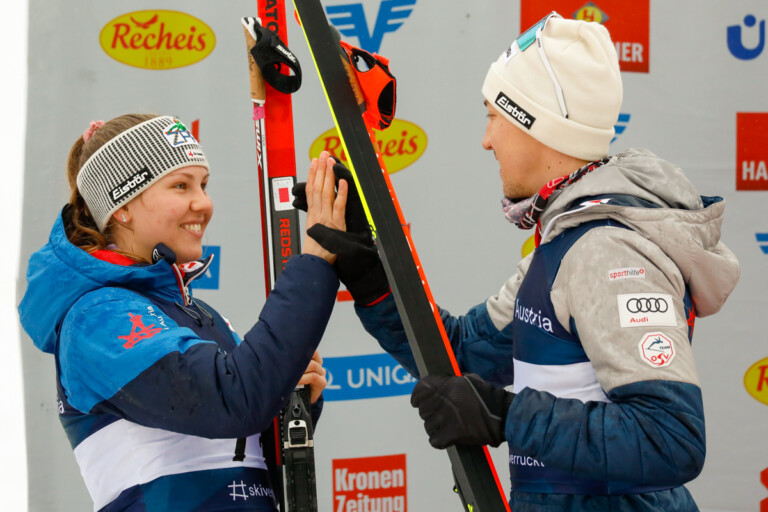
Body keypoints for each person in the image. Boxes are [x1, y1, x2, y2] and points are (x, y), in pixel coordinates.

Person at [302, 12, 741, 511]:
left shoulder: (606, 249)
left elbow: (669, 438)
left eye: (493, 116)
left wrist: (507, 416)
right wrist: (373, 280)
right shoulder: (566, 241)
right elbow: (462, 353)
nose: (486, 140)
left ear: (536, 124)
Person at [18, 114, 348, 511]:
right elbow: (233, 402)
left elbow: (244, 453)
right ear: (121, 207)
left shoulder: (196, 312)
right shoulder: (97, 316)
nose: (203, 203)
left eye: (203, 185)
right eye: (180, 185)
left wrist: (289, 399)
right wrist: (314, 263)